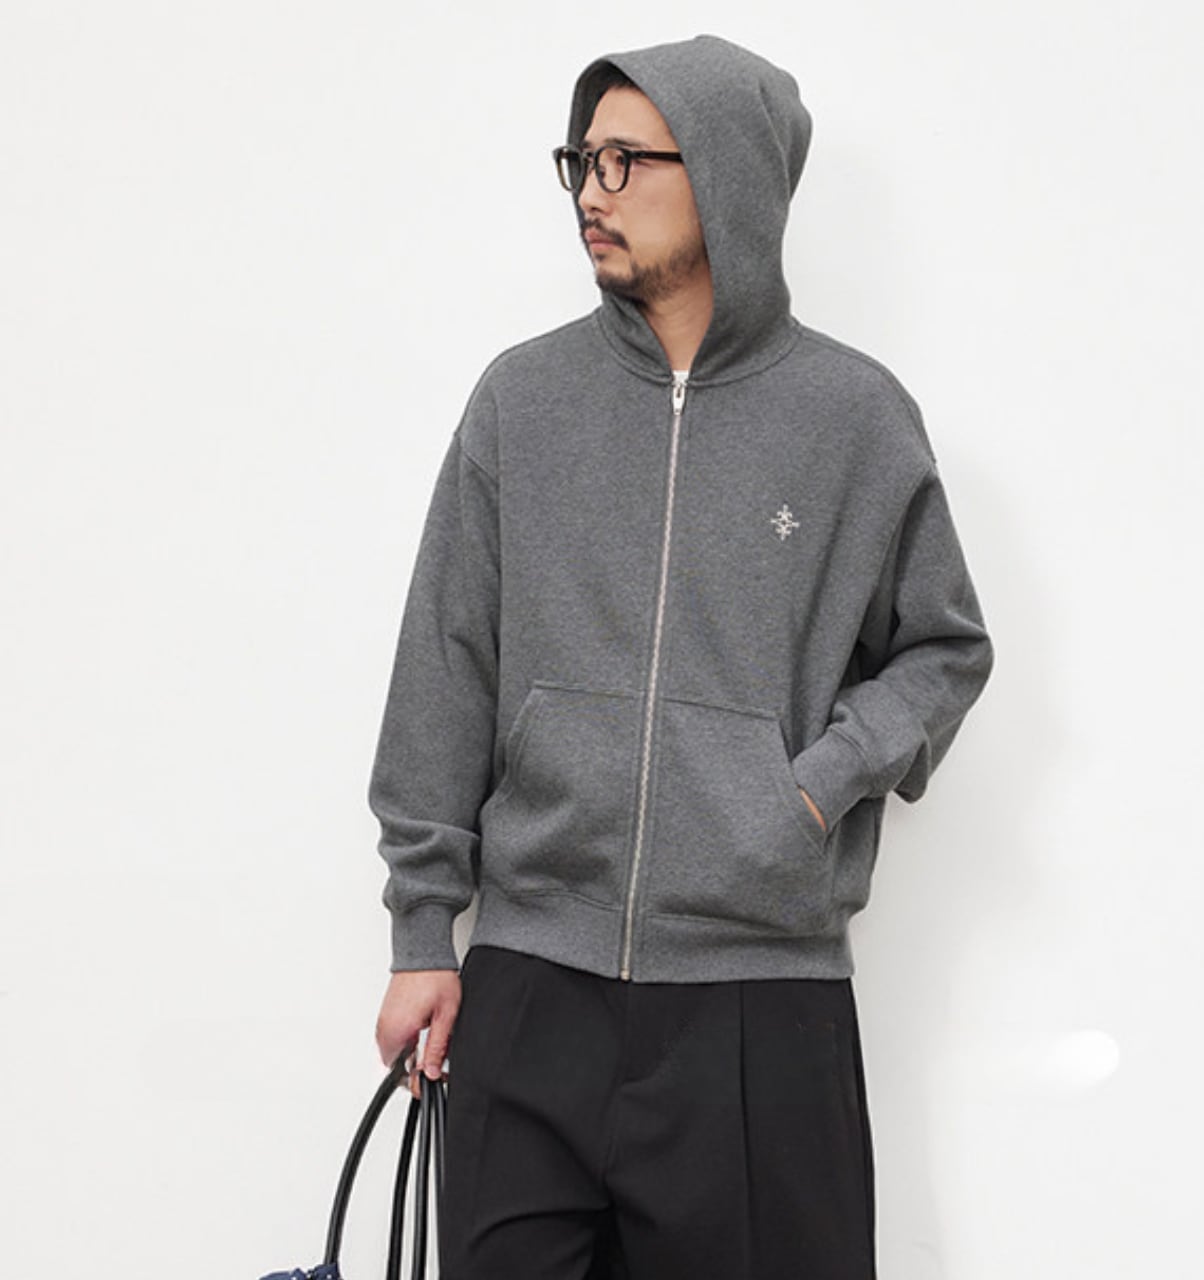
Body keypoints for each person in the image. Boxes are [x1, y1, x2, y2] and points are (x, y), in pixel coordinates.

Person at [367, 34, 994, 1280]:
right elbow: (446, 655)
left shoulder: (853, 419)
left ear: (726, 176)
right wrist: (423, 929)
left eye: (624, 160)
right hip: (530, 984)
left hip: (758, 1000)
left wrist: (808, 789)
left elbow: (942, 647)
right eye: (580, 161)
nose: (590, 192)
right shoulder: (521, 401)